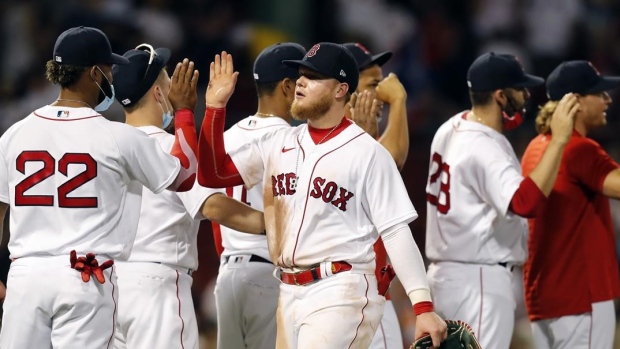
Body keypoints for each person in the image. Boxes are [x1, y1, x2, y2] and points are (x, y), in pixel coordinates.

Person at [198, 43, 448, 348]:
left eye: (314, 76)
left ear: (341, 89)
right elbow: (213, 175)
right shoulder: (281, 141)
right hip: (288, 290)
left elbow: (396, 230)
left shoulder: (367, 152)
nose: (301, 81)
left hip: (341, 289)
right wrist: (215, 109)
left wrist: (422, 307)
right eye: (301, 73)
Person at [0, 26, 198, 349]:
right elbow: (185, 174)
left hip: (25, 277)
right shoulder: (117, 137)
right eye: (107, 68)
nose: (111, 76)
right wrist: (186, 111)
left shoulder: (14, 134)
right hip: (84, 277)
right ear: (93, 72)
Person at [111, 44, 265, 349]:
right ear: (158, 93)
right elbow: (215, 207)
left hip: (108, 287)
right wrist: (275, 223)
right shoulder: (171, 149)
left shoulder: (104, 146)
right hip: (156, 287)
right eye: (168, 80)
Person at [424, 52, 579, 349]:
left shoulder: (451, 126)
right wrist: (559, 140)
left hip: (445, 277)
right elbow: (525, 203)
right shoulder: (485, 146)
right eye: (519, 89)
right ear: (499, 95)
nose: (525, 94)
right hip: (478, 280)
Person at [211, 42, 306, 349]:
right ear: (287, 86)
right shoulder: (289, 138)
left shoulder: (228, 135)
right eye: (303, 81)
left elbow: (212, 208)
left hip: (228, 274)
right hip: (269, 272)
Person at [521, 60, 620, 349]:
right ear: (575, 101)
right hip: (581, 296)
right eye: (599, 93)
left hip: (543, 298)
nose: (607, 99)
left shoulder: (535, 147)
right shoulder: (580, 148)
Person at [343, 42, 409, 348]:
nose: (382, 91)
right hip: (360, 293)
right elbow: (393, 161)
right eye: (374, 85)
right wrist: (398, 101)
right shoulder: (346, 142)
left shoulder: (323, 139)